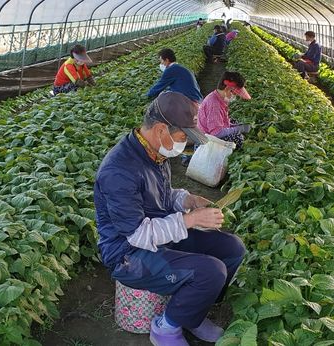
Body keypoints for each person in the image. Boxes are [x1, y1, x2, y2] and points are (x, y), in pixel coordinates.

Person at [94, 92, 246, 346]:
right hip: (128, 253)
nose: (184, 143)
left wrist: (188, 200)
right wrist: (189, 220)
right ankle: (166, 328)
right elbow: (138, 234)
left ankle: (192, 315)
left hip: (160, 233)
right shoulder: (119, 171)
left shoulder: (155, 151)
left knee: (232, 248)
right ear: (161, 129)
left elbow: (162, 194)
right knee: (211, 271)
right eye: (183, 136)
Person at [197, 71, 252, 149]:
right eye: (234, 93)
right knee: (238, 138)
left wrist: (236, 126)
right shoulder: (214, 104)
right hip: (207, 141)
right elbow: (216, 133)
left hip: (210, 132)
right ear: (228, 89)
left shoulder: (218, 97)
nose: (235, 96)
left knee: (234, 123)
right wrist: (240, 129)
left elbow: (223, 122)